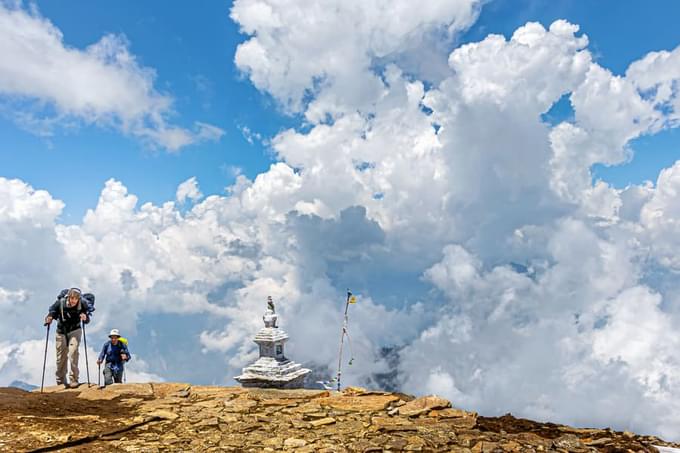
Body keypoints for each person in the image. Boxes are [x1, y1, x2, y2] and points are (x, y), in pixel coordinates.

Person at [44, 288, 90, 388]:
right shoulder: (60, 303)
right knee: (61, 357)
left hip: (75, 330)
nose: (73, 301)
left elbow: (87, 319)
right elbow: (52, 312)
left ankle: (74, 379)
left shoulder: (82, 304)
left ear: (78, 299)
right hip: (61, 331)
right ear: (68, 297)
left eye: (76, 299)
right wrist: (50, 317)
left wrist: (85, 318)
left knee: (73, 353)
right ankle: (60, 381)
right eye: (72, 298)